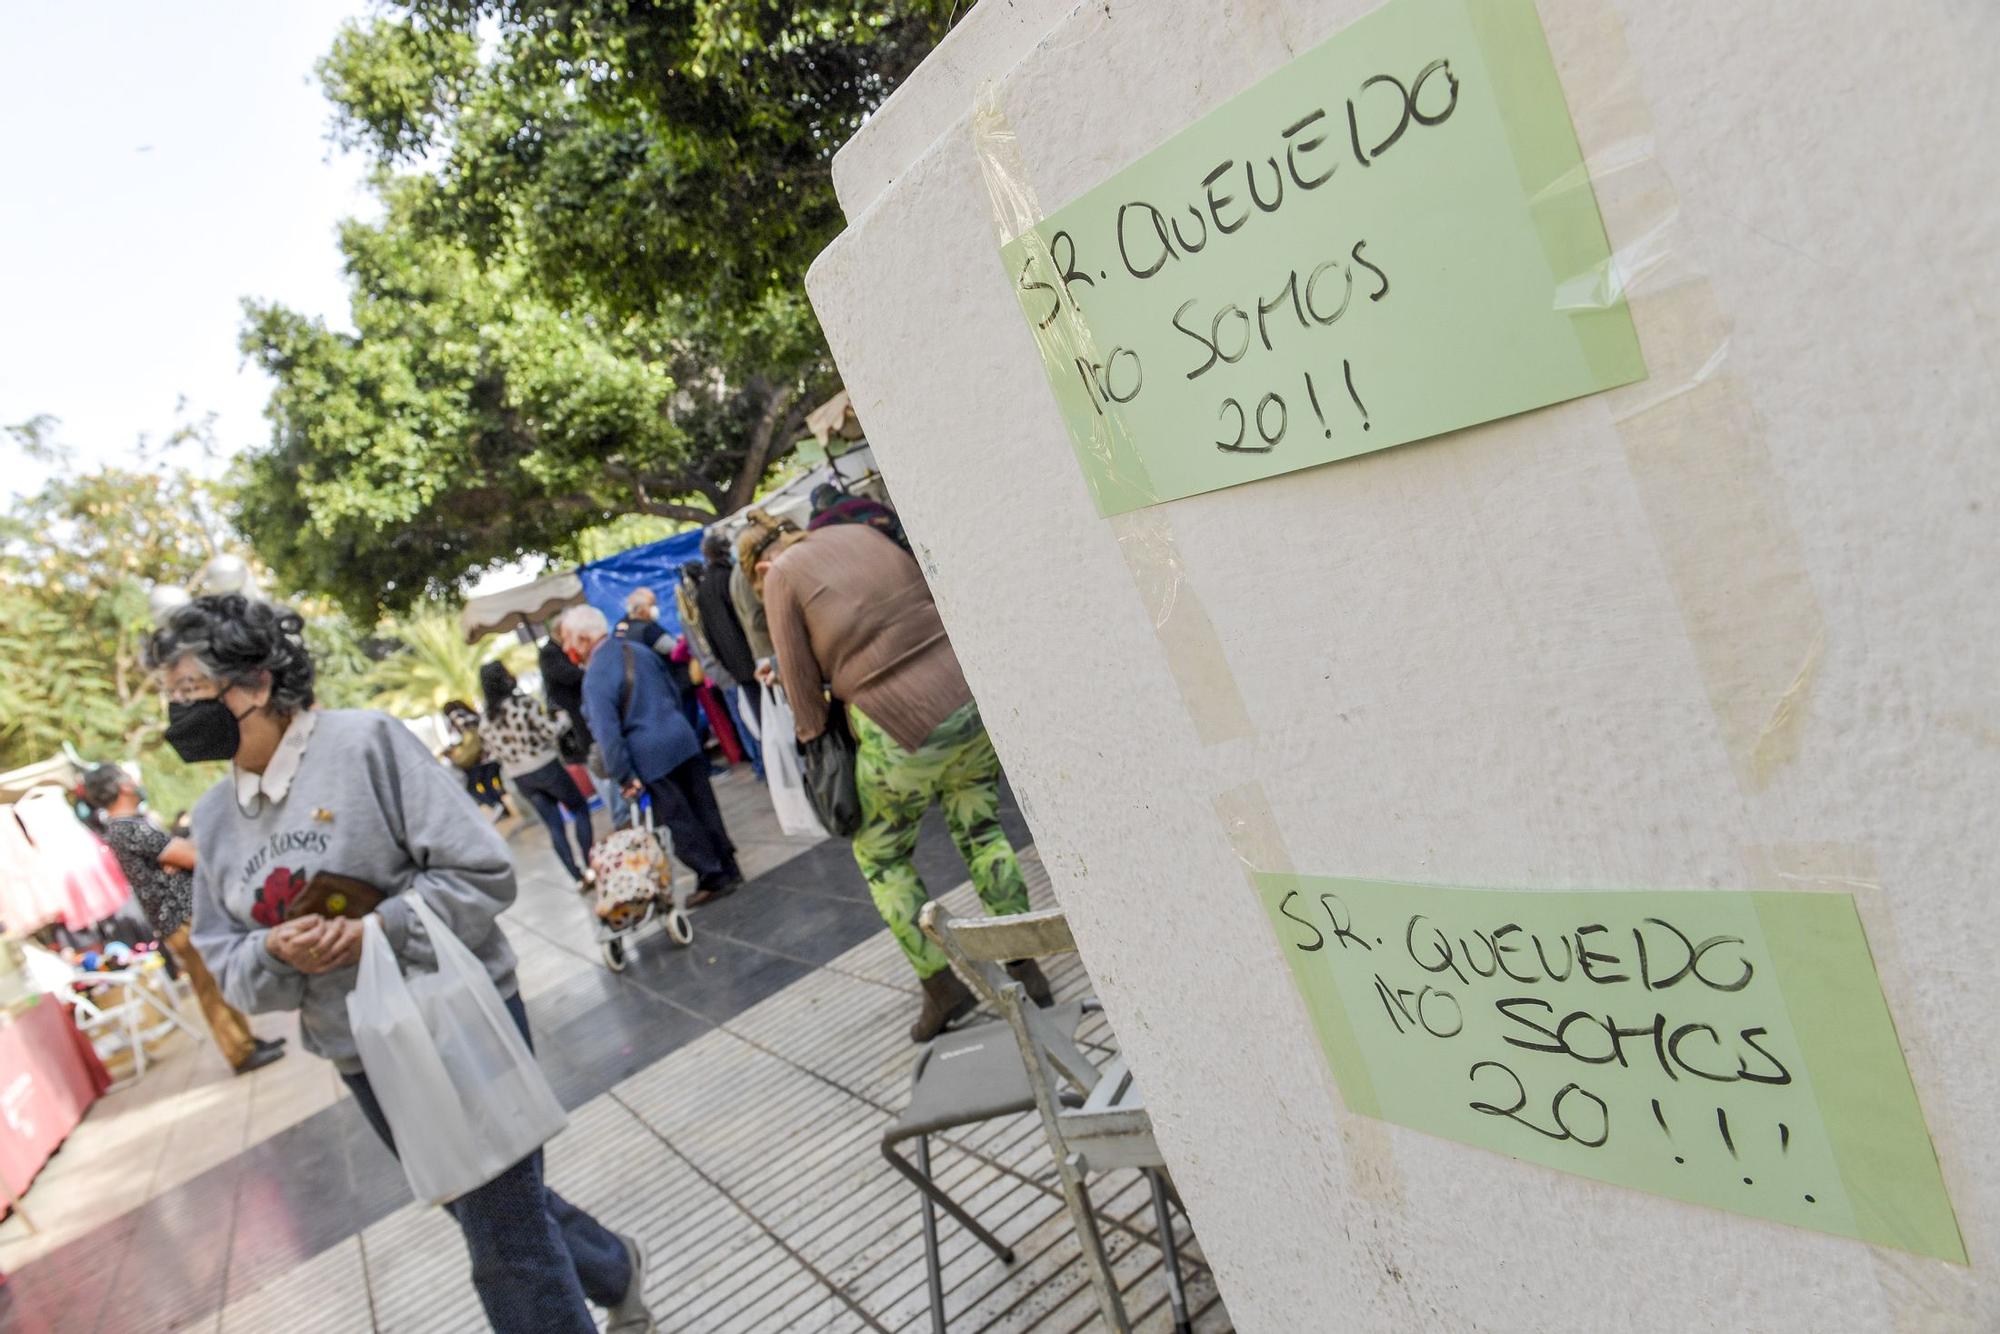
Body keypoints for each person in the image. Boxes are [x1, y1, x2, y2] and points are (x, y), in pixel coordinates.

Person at [146, 594, 655, 1334]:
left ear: (255, 683)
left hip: (457, 1013)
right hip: (363, 1050)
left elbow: (483, 874)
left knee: (500, 1237)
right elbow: (232, 968)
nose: (177, 717)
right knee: (481, 1201)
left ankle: (601, 1277)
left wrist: (376, 929)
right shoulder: (216, 821)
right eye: (170, 699)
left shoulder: (365, 746)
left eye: (190, 694)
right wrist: (274, 949)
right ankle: (613, 1265)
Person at [763, 524, 1049, 1041]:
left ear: (761, 563)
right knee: (983, 829)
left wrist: (820, 741)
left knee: (881, 855)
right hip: (963, 692)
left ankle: (942, 987)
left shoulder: (780, 576)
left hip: (895, 721)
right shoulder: (860, 532)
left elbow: (801, 692)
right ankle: (1025, 965)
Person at [80, 764, 286, 1075]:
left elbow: (185, 855)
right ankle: (239, 1051)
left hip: (185, 915)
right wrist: (183, 857)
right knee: (209, 985)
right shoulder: (128, 828)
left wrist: (182, 857)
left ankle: (246, 1041)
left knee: (217, 980)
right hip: (180, 919)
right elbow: (191, 856)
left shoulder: (129, 826)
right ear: (122, 786)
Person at [560, 605, 742, 905]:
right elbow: (671, 689)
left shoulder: (595, 677)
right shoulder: (637, 649)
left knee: (679, 818)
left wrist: (624, 775)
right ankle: (728, 866)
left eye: (568, 638)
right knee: (704, 806)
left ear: (582, 639)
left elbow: (607, 734)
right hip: (681, 738)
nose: (567, 647)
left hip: (650, 755)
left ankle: (713, 876)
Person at [479, 662, 596, 887]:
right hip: (545, 766)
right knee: (579, 808)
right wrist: (563, 720)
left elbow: (491, 752)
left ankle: (577, 876)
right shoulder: (522, 705)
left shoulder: (486, 720)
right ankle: (591, 864)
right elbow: (548, 732)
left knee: (554, 825)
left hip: (521, 777)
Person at [695, 531, 764, 780]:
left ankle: (766, 768)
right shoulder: (729, 577)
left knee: (757, 722)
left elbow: (708, 635)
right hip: (754, 659)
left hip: (736, 667)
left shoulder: (703, 589)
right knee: (769, 718)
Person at [441, 700, 512, 819]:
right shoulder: (472, 715)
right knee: (488, 783)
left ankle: (496, 806)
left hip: (479, 758)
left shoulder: (457, 717)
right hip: (491, 755)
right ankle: (502, 809)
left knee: (472, 787)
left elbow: (465, 740)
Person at [808, 483, 911, 555]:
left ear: (816, 505)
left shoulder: (817, 525)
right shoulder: (864, 503)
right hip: (898, 555)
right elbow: (899, 524)